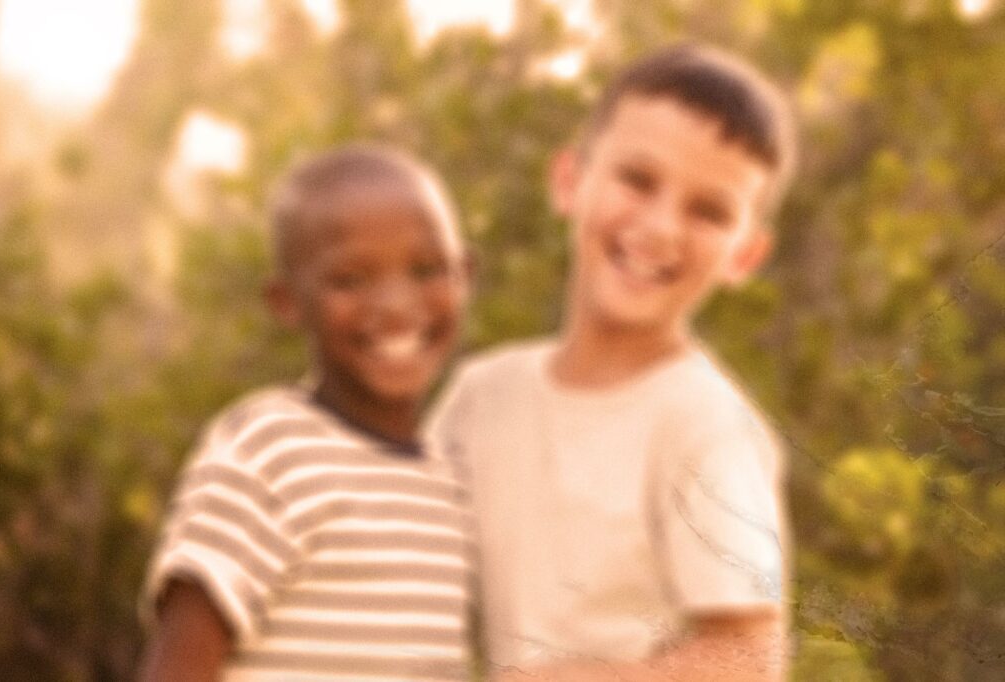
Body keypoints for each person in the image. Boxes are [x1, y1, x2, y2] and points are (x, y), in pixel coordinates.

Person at [430, 43, 797, 681]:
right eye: (637, 180)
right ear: (569, 180)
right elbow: (397, 560)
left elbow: (750, 657)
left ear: (745, 255)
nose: (660, 228)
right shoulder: (481, 395)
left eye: (708, 212)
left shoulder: (706, 425)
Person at [138, 144, 475, 681]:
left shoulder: (445, 477)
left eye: (426, 269)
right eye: (351, 279)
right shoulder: (269, 448)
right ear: (287, 302)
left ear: (466, 276)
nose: (394, 304)